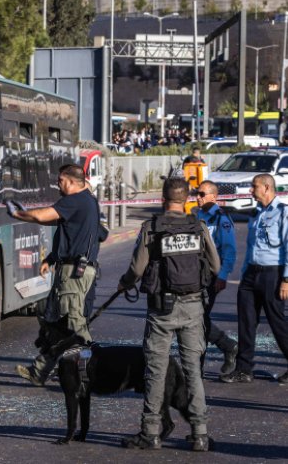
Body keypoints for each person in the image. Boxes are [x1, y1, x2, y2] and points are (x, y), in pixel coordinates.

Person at [117, 177, 220, 451]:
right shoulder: (198, 226)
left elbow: (137, 270)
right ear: (186, 199)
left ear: (163, 199)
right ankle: (200, 433)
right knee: (193, 372)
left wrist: (125, 282)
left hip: (161, 309)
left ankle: (150, 432)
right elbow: (216, 265)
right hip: (193, 306)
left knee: (155, 371)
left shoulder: (152, 227)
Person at [6, 164, 101, 386]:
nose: (57, 184)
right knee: (60, 325)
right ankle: (39, 371)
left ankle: (87, 372)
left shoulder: (75, 200)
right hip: (77, 268)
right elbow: (56, 223)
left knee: (75, 326)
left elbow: (42, 216)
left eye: (59, 180)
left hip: (74, 272)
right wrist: (50, 259)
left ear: (70, 180)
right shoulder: (87, 201)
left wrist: (18, 213)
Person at [220, 174, 288, 384]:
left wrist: (286, 279)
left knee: (278, 323)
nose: (251, 190)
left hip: (273, 274)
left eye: (254, 186)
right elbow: (251, 247)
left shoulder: (282, 213)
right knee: (246, 322)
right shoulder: (257, 213)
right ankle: (244, 368)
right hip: (251, 274)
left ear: (267, 187)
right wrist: (244, 273)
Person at [194, 180, 239, 373]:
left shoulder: (222, 219)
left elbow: (229, 251)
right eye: (197, 193)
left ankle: (200, 365)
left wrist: (222, 276)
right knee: (198, 318)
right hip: (194, 274)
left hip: (211, 276)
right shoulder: (197, 215)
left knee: (198, 319)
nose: (198, 197)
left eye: (202, 194)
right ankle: (227, 346)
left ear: (214, 196)